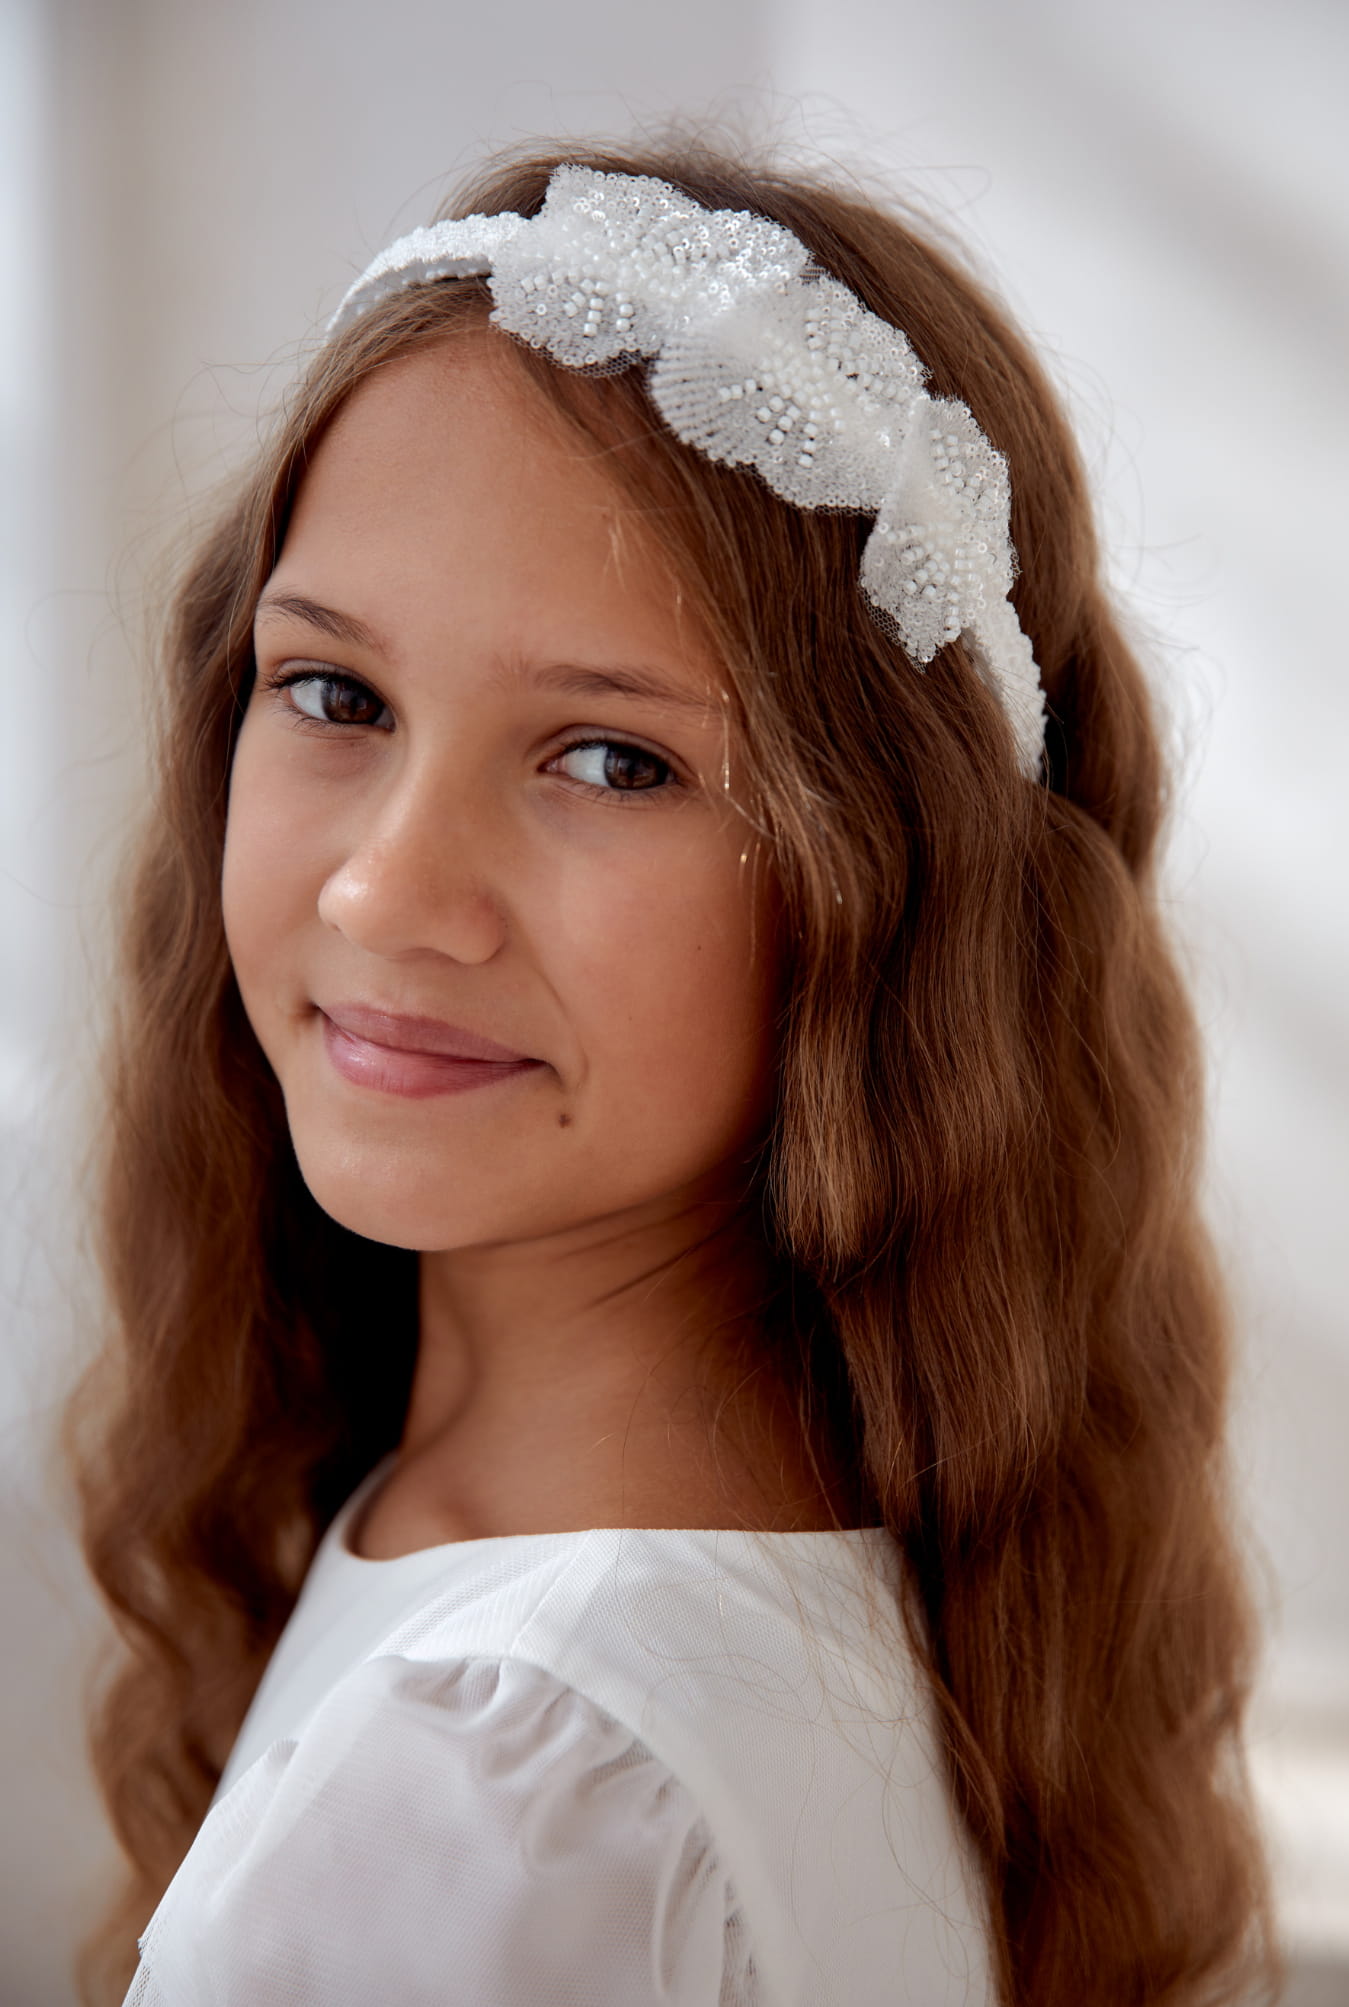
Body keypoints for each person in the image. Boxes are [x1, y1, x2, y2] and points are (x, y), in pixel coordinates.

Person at [68, 142, 1275, 2006]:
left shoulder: (513, 1777)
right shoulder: (868, 1593)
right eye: (333, 693)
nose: (386, 890)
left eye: (612, 761)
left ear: (885, 892)